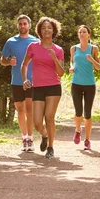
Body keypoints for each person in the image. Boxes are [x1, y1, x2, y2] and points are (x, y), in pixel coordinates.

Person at [21, 17, 64, 159]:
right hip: (38, 87)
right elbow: (24, 64)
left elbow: (61, 73)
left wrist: (54, 58)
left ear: (54, 31)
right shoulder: (33, 47)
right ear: (39, 30)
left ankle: (50, 147)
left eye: (49, 28)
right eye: (44, 28)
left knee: (49, 117)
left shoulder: (58, 50)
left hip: (53, 87)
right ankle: (44, 135)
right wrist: (25, 79)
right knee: (37, 122)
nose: (47, 30)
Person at [1, 14, 38, 152]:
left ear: (29, 26)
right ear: (18, 26)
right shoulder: (11, 42)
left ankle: (31, 138)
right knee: (20, 110)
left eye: (25, 24)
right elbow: (2, 60)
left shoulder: (36, 42)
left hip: (32, 81)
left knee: (30, 110)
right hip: (16, 81)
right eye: (20, 24)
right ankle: (24, 138)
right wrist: (9, 62)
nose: (23, 26)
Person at [69, 25, 100, 151]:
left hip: (89, 84)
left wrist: (92, 59)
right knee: (78, 112)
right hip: (76, 83)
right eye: (80, 32)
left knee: (87, 114)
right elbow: (72, 61)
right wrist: (71, 67)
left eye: (84, 32)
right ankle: (77, 131)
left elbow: (98, 67)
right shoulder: (73, 48)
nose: (81, 34)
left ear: (89, 34)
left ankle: (87, 140)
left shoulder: (94, 49)